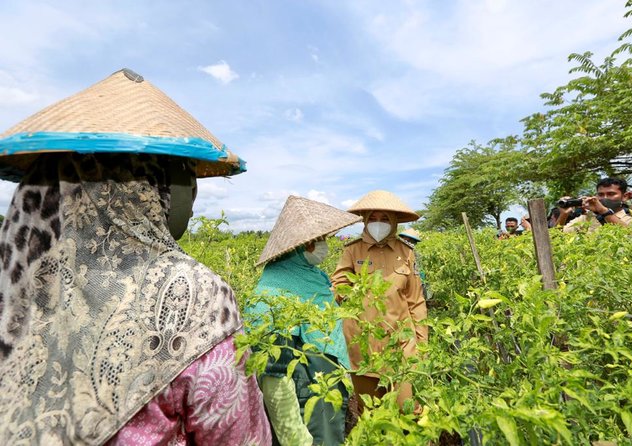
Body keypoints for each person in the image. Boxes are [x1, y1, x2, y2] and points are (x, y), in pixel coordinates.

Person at [0, 69, 270, 445]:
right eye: (185, 175)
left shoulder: (18, 284)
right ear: (150, 185)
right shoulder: (193, 295)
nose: (192, 195)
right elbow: (240, 437)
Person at [246, 195, 361, 446]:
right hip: (307, 399)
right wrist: (295, 437)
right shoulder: (271, 295)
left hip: (326, 392)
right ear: (301, 246)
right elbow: (274, 378)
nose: (323, 246)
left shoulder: (313, 278)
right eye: (318, 241)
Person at [331, 190, 427, 414]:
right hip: (363, 345)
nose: (378, 223)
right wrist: (349, 288)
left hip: (401, 344)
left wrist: (422, 345)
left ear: (394, 222)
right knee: (371, 413)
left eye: (384, 219)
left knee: (407, 409)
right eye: (373, 218)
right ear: (365, 220)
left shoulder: (406, 252)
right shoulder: (352, 250)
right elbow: (338, 288)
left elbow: (416, 301)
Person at [560, 178, 632, 233]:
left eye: (611, 194)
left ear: (624, 197)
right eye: (601, 194)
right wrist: (564, 214)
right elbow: (555, 238)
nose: (605, 198)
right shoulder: (587, 218)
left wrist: (604, 211)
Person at [398, 228, 430, 300]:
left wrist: (420, 279)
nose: (409, 242)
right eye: (407, 240)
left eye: (412, 241)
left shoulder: (415, 253)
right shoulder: (397, 251)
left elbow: (419, 270)